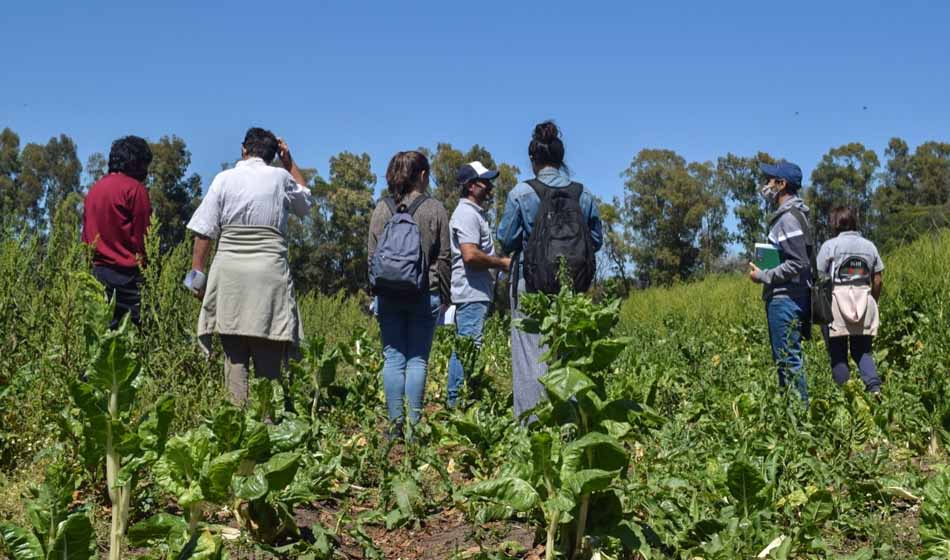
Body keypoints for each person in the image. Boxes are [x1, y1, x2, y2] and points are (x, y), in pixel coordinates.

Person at [184, 127, 312, 406]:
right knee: (268, 354)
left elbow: (204, 232)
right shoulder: (281, 177)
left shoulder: (224, 179)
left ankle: (236, 427)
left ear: (243, 150)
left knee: (235, 356)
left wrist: (196, 277)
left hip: (229, 275)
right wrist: (289, 162)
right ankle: (267, 424)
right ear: (273, 154)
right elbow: (305, 202)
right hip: (269, 274)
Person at [497, 121, 603, 421]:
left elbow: (505, 240)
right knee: (566, 353)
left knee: (530, 356)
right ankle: (568, 422)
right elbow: (595, 239)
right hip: (571, 286)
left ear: (534, 160)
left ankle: (532, 427)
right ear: (560, 159)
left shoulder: (521, 193)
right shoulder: (582, 194)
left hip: (529, 284)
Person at [368, 151, 450, 436]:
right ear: (423, 176)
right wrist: (444, 295)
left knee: (393, 359)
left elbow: (371, 257)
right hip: (424, 293)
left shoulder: (382, 208)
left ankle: (394, 425)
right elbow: (445, 257)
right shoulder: (435, 208)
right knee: (417, 360)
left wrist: (376, 292)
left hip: (388, 294)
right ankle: (415, 428)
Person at [446, 162, 511, 408]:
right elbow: (470, 256)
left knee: (469, 345)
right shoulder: (466, 214)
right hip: (471, 292)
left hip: (476, 292)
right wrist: (502, 263)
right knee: (467, 346)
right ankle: (455, 403)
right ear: (472, 186)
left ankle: (460, 399)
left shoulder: (474, 213)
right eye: (486, 183)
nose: (491, 187)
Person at [748, 160, 812, 402]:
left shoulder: (788, 219)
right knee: (785, 360)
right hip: (791, 296)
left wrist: (763, 275)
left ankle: (799, 423)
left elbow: (798, 262)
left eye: (770, 180)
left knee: (788, 360)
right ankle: (793, 419)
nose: (765, 185)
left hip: (785, 299)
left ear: (782, 184)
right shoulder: (792, 216)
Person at [82, 135, 153, 329]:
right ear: (135, 163)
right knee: (141, 337)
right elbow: (145, 240)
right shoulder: (135, 190)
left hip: (98, 275)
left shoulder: (94, 191)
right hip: (128, 279)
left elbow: (85, 238)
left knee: (103, 337)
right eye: (145, 165)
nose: (146, 172)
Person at [816, 207, 884, 394]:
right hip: (864, 299)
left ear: (835, 224)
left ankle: (848, 396)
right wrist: (873, 302)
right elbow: (878, 279)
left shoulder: (829, 246)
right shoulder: (870, 246)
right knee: (862, 350)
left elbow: (819, 277)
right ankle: (874, 388)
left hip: (836, 302)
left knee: (838, 354)